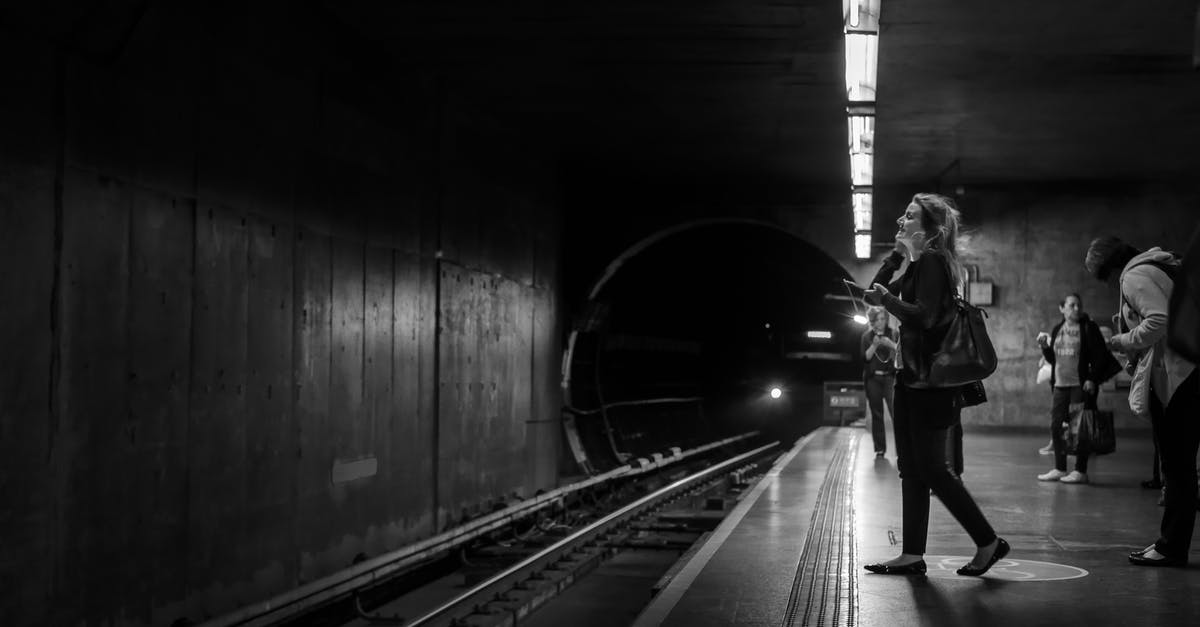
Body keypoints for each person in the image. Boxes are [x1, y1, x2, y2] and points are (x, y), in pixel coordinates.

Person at [862, 193, 1008, 577]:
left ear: (928, 229)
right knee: (910, 467)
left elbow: (924, 318)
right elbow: (871, 297)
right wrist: (894, 258)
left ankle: (989, 541)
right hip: (911, 378)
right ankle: (912, 554)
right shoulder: (914, 264)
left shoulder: (932, 262)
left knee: (933, 468)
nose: (900, 220)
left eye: (909, 216)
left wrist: (889, 300)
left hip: (933, 383)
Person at [1085, 236, 1198, 567]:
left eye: (1103, 278)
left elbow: (1158, 321)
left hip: (1178, 376)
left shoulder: (1134, 277)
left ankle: (1171, 546)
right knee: (1182, 465)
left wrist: (1122, 340)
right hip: (1190, 371)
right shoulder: (1162, 263)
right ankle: (1171, 543)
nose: (1107, 285)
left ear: (1108, 269)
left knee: (1176, 466)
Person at [1034, 293, 1122, 485]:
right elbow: (1053, 360)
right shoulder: (1058, 329)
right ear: (1062, 308)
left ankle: (1080, 471)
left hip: (1079, 386)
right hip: (1060, 386)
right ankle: (1059, 468)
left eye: (1078, 305)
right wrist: (1044, 348)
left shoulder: (1089, 328)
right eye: (1072, 305)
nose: (1076, 309)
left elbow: (1100, 357)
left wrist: (1092, 379)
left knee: (1079, 429)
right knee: (1057, 426)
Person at [861, 306, 898, 458]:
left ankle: (901, 449)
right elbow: (865, 358)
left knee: (896, 413)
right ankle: (880, 449)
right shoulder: (867, 336)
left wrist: (891, 345)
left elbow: (900, 354)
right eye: (877, 319)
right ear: (872, 321)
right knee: (877, 414)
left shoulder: (893, 334)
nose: (881, 322)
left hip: (889, 377)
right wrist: (875, 344)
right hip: (873, 379)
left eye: (883, 319)